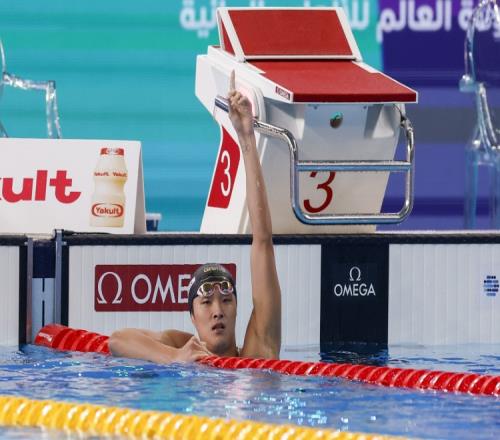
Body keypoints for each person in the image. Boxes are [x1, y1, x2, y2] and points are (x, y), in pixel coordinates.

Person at [109, 71, 281, 363]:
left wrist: (247, 138)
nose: (218, 311)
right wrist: (175, 356)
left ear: (238, 309)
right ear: (192, 317)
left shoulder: (258, 350)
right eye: (206, 302)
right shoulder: (184, 348)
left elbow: (262, 240)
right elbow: (118, 340)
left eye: (226, 301)